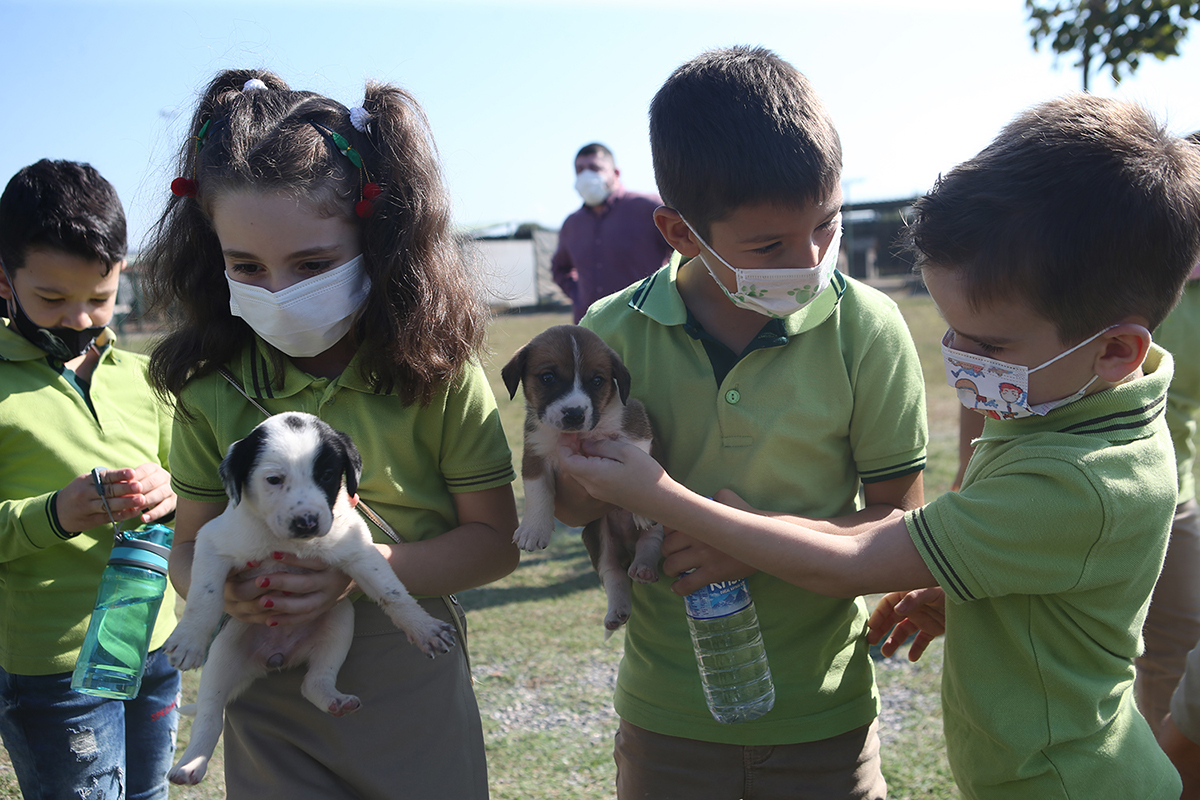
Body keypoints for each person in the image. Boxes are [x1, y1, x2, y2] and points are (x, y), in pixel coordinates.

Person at [561, 93, 1200, 799]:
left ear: (1114, 349)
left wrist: (664, 499)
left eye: (985, 344)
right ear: (680, 233)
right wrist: (985, 603)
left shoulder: (1079, 477)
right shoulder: (1068, 410)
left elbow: (862, 558)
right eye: (953, 330)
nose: (955, 355)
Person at [555, 47, 928, 799]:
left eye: (827, 225)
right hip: (669, 718)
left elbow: (900, 525)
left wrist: (753, 542)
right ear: (680, 232)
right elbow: (568, 508)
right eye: (769, 247)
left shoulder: (871, 329)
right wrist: (590, 473)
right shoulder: (606, 334)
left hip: (825, 715)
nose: (812, 259)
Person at [140, 70, 520, 799]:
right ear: (209, 248)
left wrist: (356, 567)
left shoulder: (437, 374)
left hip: (409, 679)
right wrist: (231, 600)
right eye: (246, 266)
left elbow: (495, 543)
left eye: (312, 264)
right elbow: (187, 548)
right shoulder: (208, 389)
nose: (278, 291)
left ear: (379, 239)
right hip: (267, 693)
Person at [0, 160, 179, 799]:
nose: (79, 319)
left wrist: (173, 491)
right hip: (57, 670)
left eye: (99, 299)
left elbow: (189, 483)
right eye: (52, 299)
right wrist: (54, 514)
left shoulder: (143, 377)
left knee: (148, 793)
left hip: (154, 646)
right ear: (3, 280)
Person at [551, 142, 672, 322]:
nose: (586, 174)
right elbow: (560, 269)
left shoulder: (649, 208)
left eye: (594, 167)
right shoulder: (572, 223)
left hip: (644, 324)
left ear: (616, 173)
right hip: (592, 331)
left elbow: (689, 254)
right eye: (580, 169)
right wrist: (579, 296)